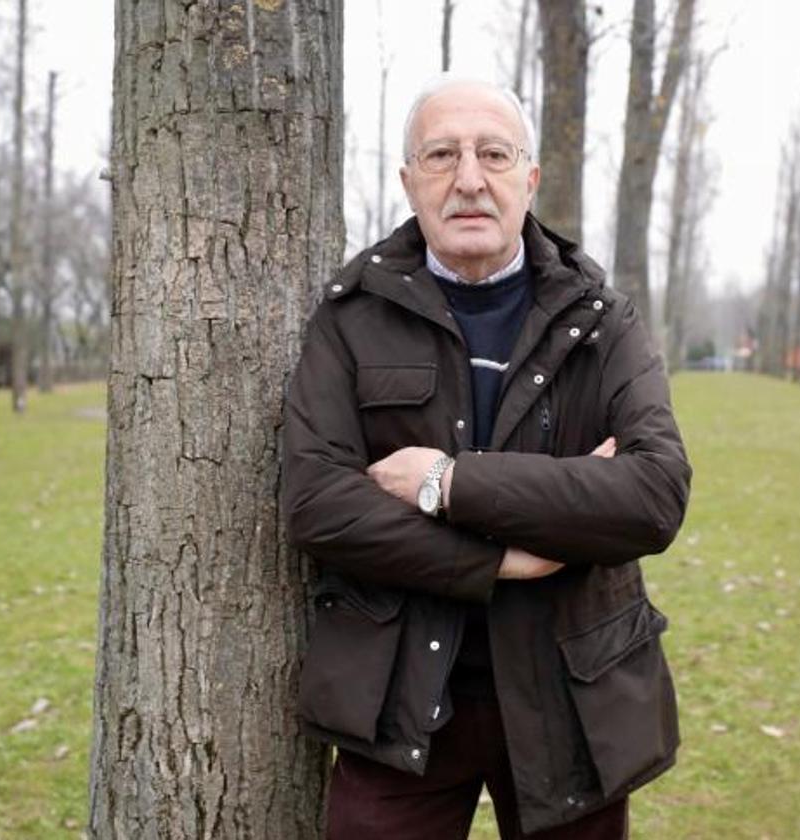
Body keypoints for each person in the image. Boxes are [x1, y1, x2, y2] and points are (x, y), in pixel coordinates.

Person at [283, 76, 691, 840]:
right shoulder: (350, 317)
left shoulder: (602, 320)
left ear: (527, 178)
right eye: (441, 155)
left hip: (572, 700)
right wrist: (503, 559)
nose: (469, 178)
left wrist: (443, 481)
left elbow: (653, 495)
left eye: (493, 154)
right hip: (395, 699)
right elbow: (319, 504)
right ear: (409, 181)